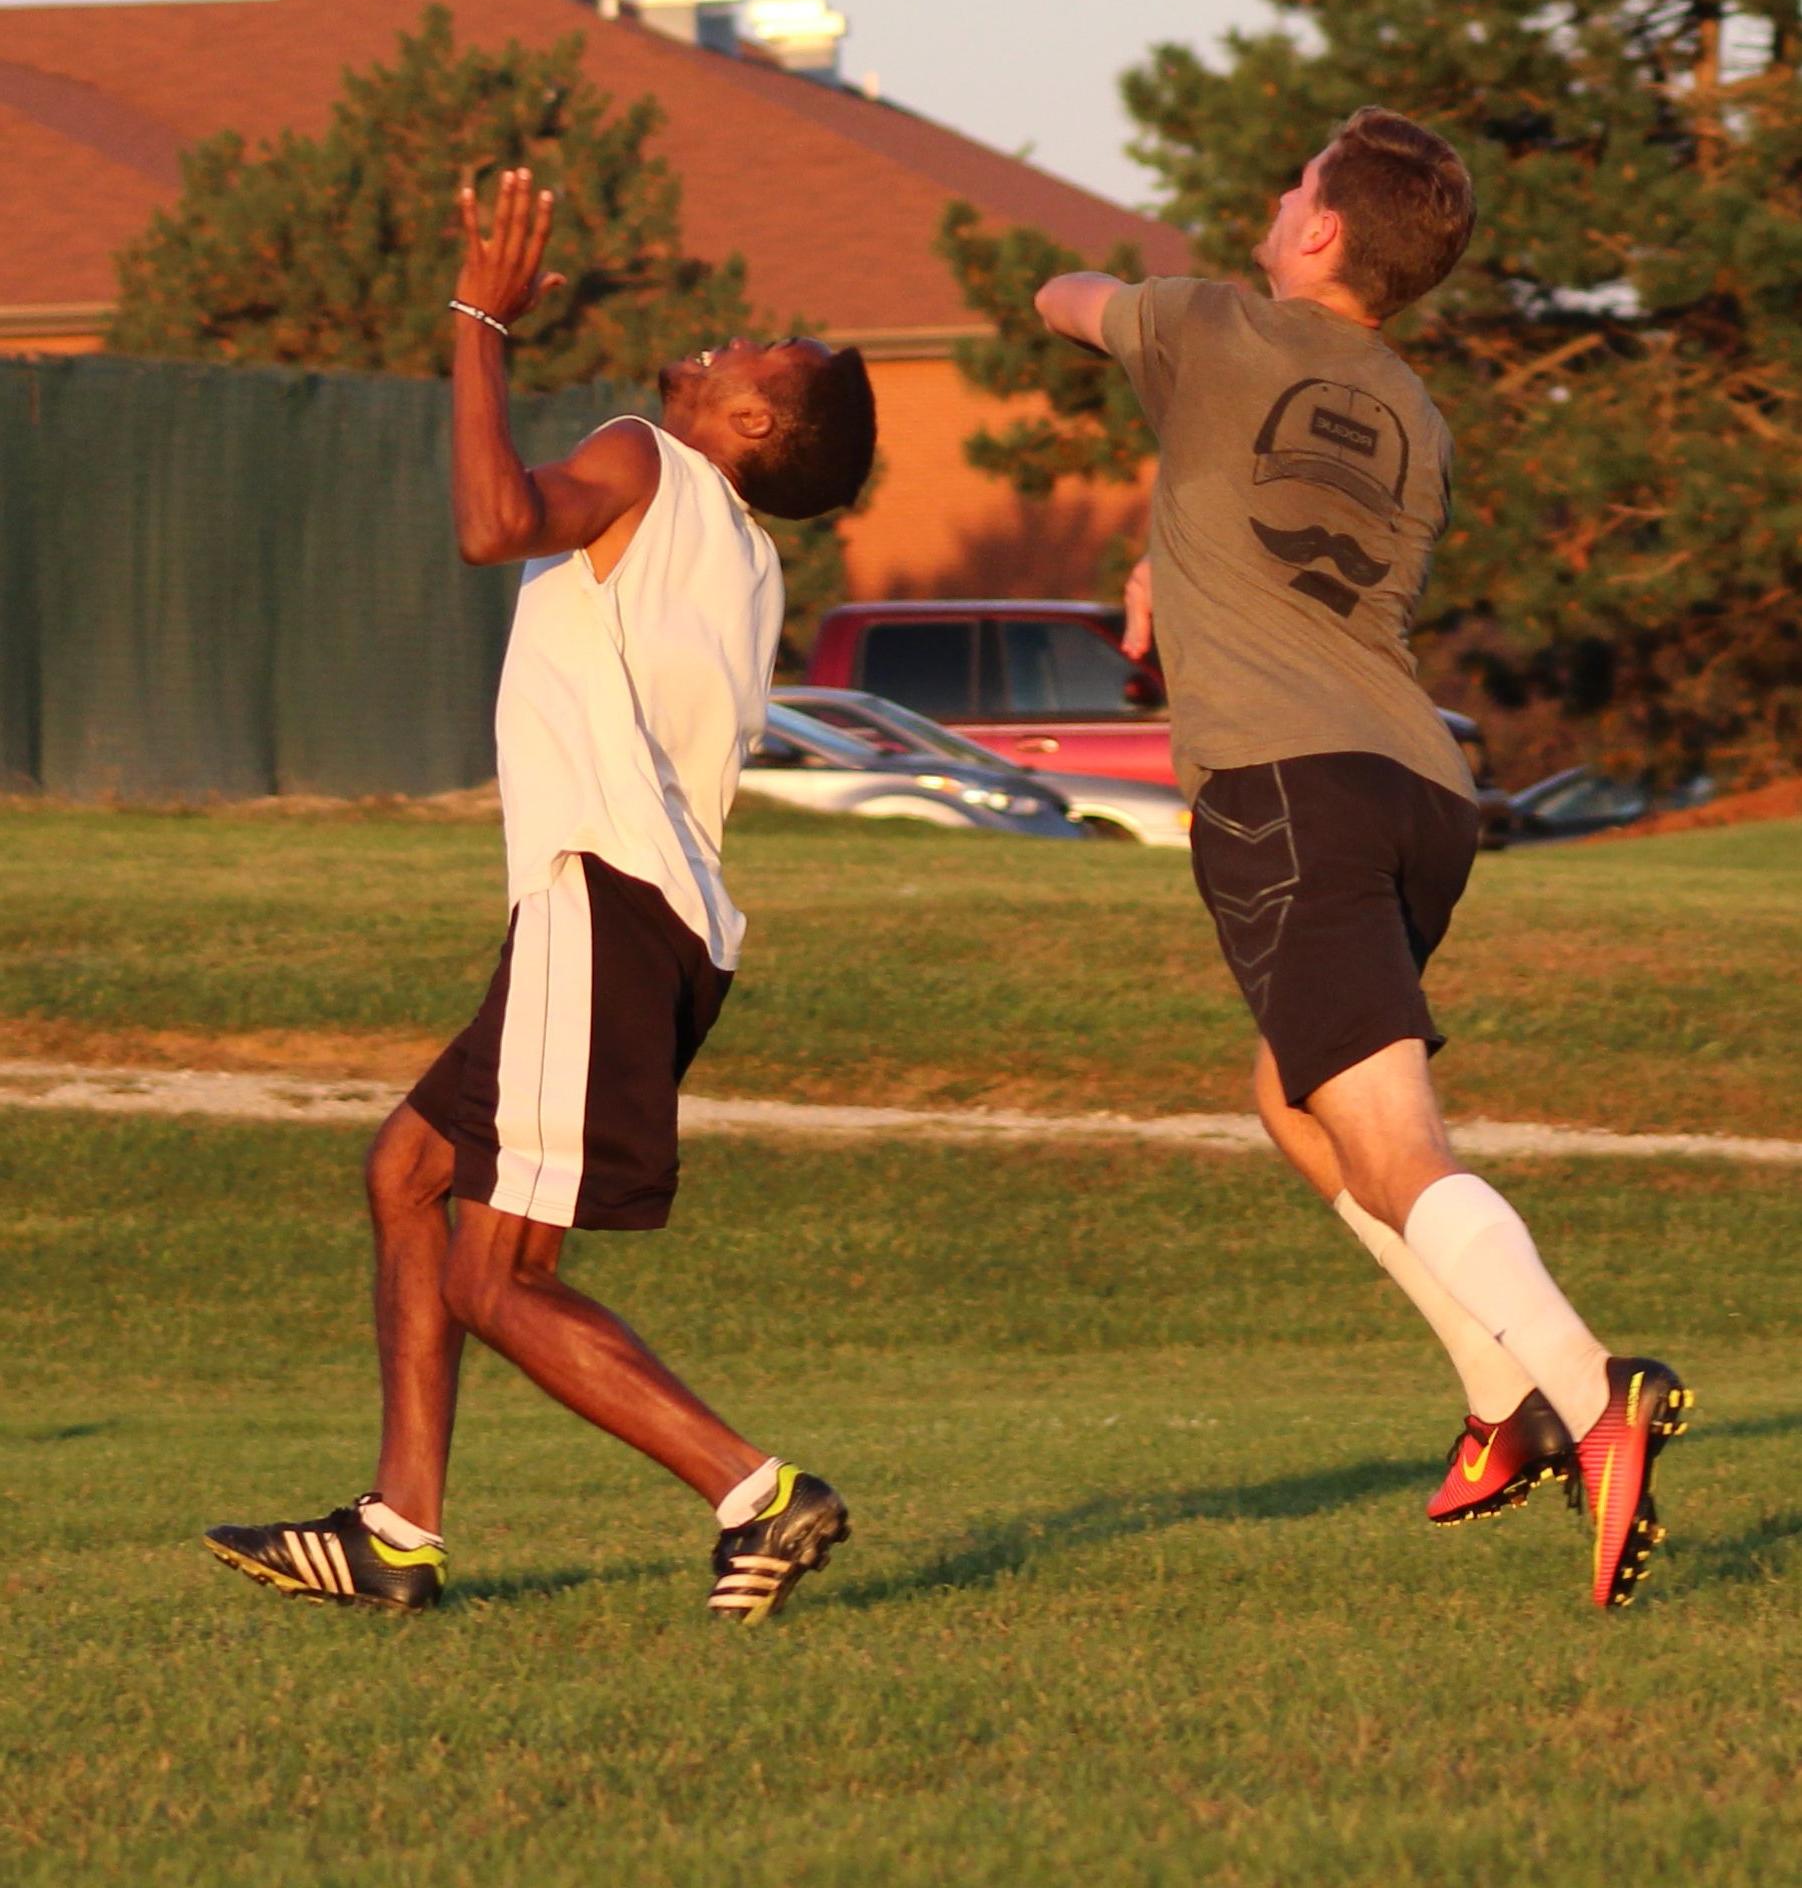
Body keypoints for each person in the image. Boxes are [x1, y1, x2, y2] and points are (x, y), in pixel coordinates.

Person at [1035, 108, 1691, 1610]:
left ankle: (1594, 1398)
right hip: (1417, 791)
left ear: (1320, 232)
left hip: (1285, 792)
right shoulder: (1415, 411)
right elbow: (1286, 540)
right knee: (1288, 1093)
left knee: (1395, 1144)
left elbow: (1060, 303)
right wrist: (1171, 566)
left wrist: (1081, 306)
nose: (1274, 201)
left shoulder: (1208, 324)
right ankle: (1494, 1399)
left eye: (1293, 186)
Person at [206, 168, 877, 1623]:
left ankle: (760, 1493)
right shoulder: (746, 554)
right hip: (639, 921)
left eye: (756, 356)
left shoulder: (643, 456)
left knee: (497, 1279)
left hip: (605, 904)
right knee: (408, 1176)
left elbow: (492, 520)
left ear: (754, 426)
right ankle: (397, 1529)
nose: (725, 342)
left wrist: (476, 322)